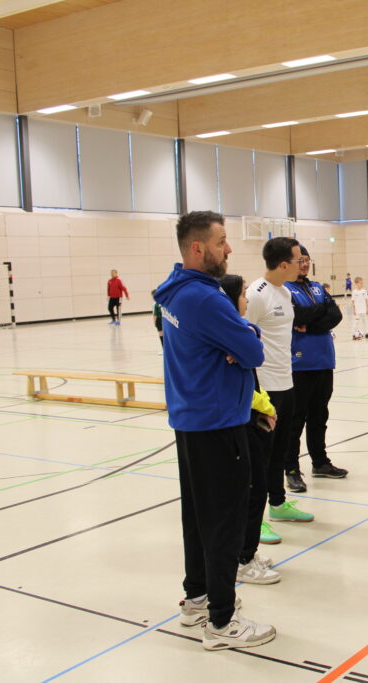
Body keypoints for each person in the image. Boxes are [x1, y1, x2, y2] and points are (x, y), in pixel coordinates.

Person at [153, 210, 275, 651]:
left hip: (190, 420)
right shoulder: (205, 298)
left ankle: (197, 598)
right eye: (222, 241)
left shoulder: (174, 289)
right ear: (198, 247)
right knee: (224, 521)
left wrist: (237, 336)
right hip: (219, 423)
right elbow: (253, 352)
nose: (229, 249)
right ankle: (222, 621)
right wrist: (244, 333)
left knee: (198, 517)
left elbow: (236, 344)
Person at [245, 237, 315, 541]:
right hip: (265, 388)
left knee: (280, 451)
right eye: (299, 260)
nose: (303, 264)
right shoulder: (256, 295)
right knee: (260, 456)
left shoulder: (285, 292)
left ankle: (277, 504)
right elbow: (242, 337)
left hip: (287, 382)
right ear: (284, 264)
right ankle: (254, 519)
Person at [219, 273, 282, 587]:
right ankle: (243, 558)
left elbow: (251, 372)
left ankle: (248, 551)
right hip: (240, 420)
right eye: (243, 294)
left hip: (252, 414)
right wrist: (264, 407)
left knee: (259, 487)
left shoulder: (241, 330)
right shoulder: (228, 334)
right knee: (253, 490)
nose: (247, 299)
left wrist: (264, 405)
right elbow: (238, 378)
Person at [283, 246, 349, 491]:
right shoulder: (284, 290)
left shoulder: (317, 287)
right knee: (295, 420)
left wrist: (310, 325)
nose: (304, 264)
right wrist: (320, 311)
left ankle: (320, 462)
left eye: (307, 260)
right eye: (300, 260)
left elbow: (336, 315)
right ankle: (291, 468)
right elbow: (295, 316)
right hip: (299, 364)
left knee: (319, 416)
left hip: (324, 361)